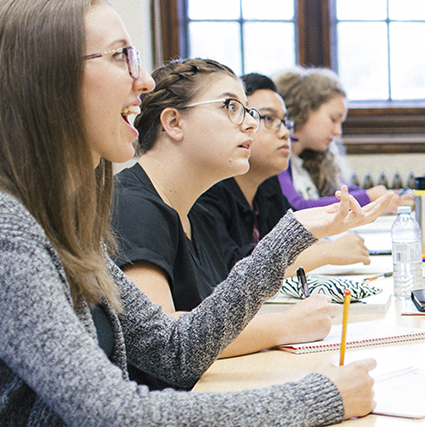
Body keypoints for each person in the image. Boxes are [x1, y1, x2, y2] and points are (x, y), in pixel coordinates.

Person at [0, 0, 379, 427]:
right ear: (46, 82)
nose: (144, 80)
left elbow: (175, 354)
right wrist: (320, 398)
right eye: (120, 56)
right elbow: (123, 422)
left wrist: (287, 240)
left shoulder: (59, 222)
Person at [111, 59, 396, 358]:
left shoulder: (198, 214)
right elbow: (165, 343)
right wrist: (286, 326)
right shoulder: (132, 207)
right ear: (174, 123)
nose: (250, 123)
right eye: (230, 107)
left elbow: (214, 320)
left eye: (248, 111)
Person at [192, 71, 372, 271]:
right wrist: (326, 251)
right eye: (268, 118)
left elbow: (293, 238)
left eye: (285, 122)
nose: (285, 133)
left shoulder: (267, 185)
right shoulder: (206, 193)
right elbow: (228, 267)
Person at [274, 67, 390, 209]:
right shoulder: (276, 157)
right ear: (304, 110)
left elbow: (345, 190)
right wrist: (369, 197)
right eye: (333, 119)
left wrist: (387, 196)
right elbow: (297, 208)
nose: (338, 132)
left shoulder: (312, 158)